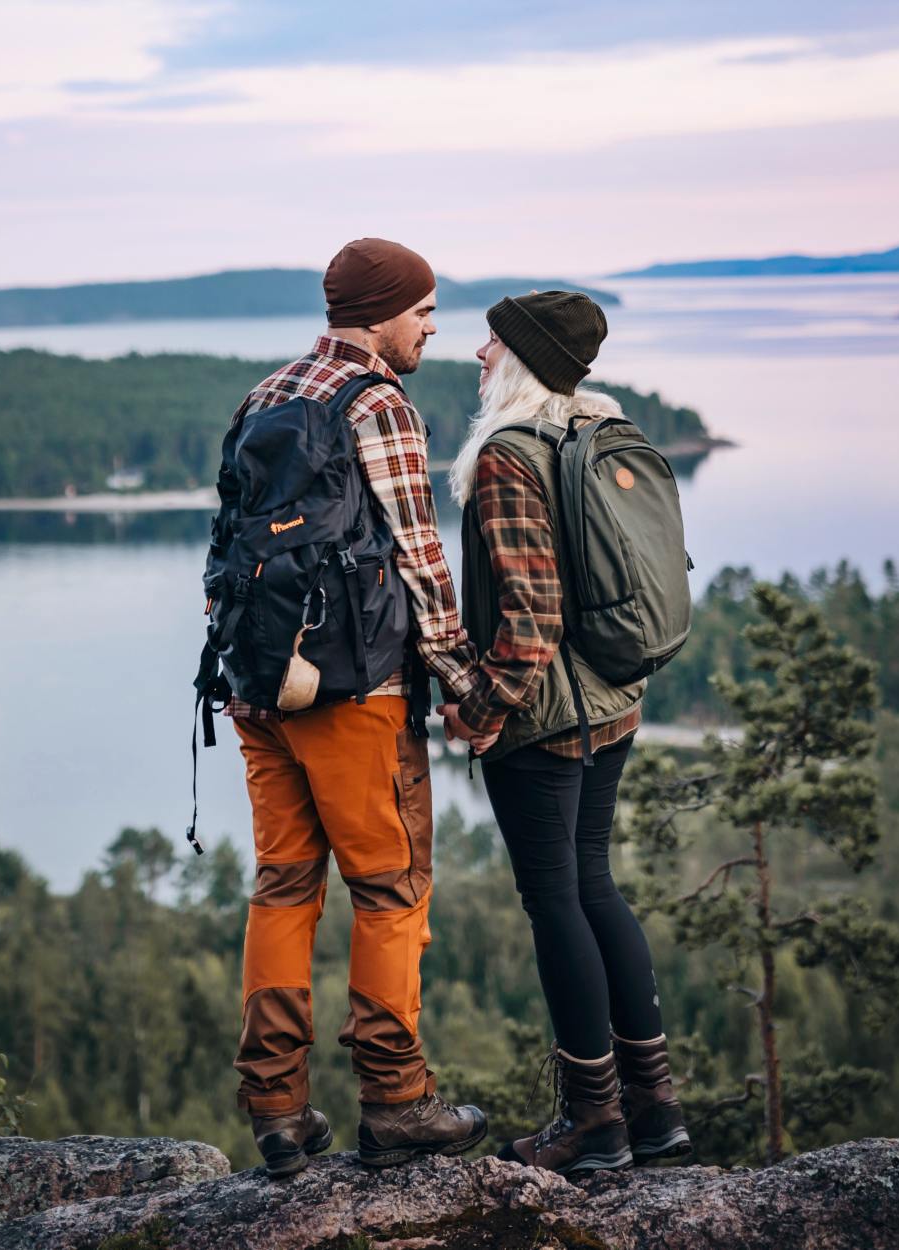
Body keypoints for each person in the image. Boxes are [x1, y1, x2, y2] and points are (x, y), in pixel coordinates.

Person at [226, 238, 486, 1177]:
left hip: (260, 689)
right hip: (356, 693)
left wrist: (251, 670)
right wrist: (463, 682)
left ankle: (277, 1107)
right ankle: (398, 1099)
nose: (429, 326)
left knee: (285, 885)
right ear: (379, 312)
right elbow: (419, 555)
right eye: (420, 309)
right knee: (389, 886)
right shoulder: (376, 400)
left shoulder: (268, 392)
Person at [438, 290, 691, 1175]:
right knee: (596, 887)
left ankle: (594, 1121)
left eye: (492, 342)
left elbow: (532, 619)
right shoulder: (594, 429)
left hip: (545, 722)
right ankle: (654, 1108)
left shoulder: (511, 455)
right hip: (614, 703)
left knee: (557, 901)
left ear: (523, 359)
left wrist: (477, 708)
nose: (477, 355)